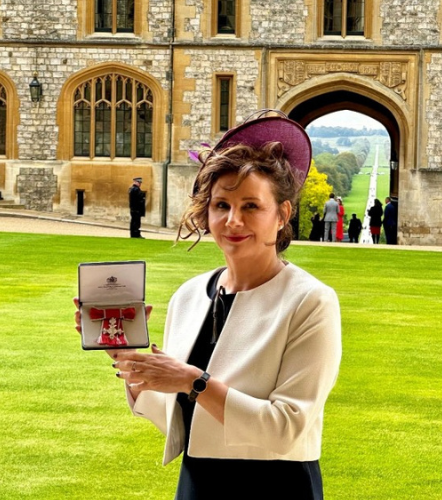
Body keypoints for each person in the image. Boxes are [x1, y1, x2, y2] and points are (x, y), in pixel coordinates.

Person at [76, 110, 342, 499]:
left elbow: (287, 429)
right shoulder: (189, 295)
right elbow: (178, 420)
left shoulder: (310, 301)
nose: (233, 220)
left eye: (251, 206)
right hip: (198, 483)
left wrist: (192, 380)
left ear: (282, 214)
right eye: (222, 206)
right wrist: (128, 355)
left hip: (277, 487)